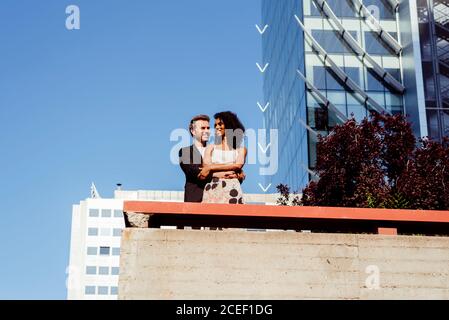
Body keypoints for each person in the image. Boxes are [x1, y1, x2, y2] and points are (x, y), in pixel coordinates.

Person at [179, 114, 245, 203]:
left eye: (208, 128)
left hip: (221, 197)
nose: (206, 131)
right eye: (203, 128)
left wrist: (238, 174)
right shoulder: (186, 151)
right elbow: (195, 172)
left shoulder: (215, 149)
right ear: (193, 131)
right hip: (196, 201)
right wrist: (225, 173)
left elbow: (234, 167)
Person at [199, 111, 247, 204]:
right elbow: (205, 170)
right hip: (213, 188)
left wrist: (211, 167)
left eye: (220, 124)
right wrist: (231, 171)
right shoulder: (210, 147)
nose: (217, 127)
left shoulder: (241, 149)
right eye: (215, 125)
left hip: (232, 190)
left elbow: (237, 166)